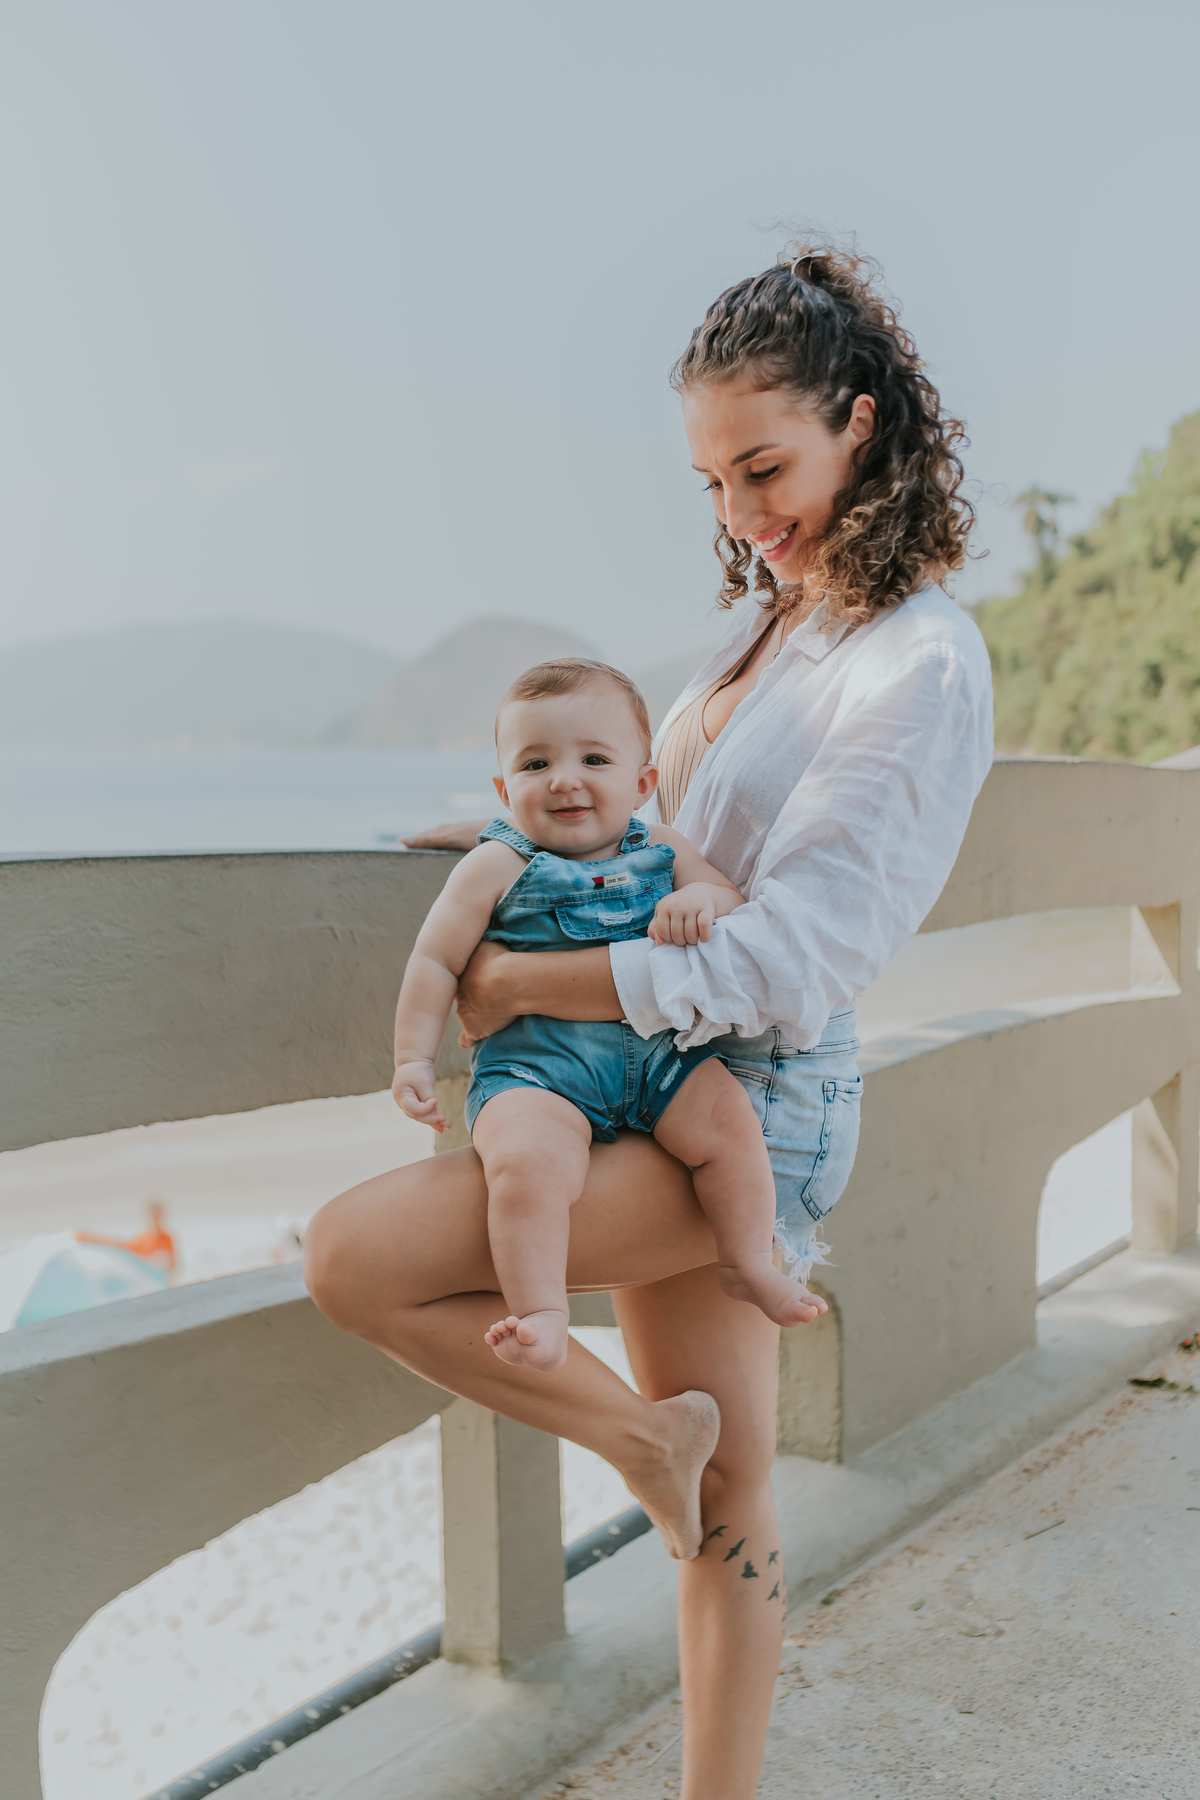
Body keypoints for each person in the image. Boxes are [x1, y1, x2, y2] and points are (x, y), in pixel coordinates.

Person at [305, 242, 993, 1800]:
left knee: (352, 1256)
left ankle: (626, 1443)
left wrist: (519, 982)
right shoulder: (770, 633)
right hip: (664, 1074)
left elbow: (796, 952)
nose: (741, 515)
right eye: (709, 482)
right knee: (738, 1495)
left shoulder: (917, 667)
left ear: (862, 427)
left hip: (751, 1103)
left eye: (765, 468)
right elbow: (658, 833)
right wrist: (509, 848)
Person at [391, 657, 825, 1408]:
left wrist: (701, 903)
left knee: (730, 1126)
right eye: (536, 763)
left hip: (659, 1059)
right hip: (536, 1072)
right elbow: (434, 959)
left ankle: (750, 1259)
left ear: (643, 783)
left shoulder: (661, 847)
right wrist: (411, 1058)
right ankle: (543, 1311)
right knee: (527, 1168)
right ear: (503, 792)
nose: (564, 779)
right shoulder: (497, 863)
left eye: (594, 759)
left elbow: (724, 892)